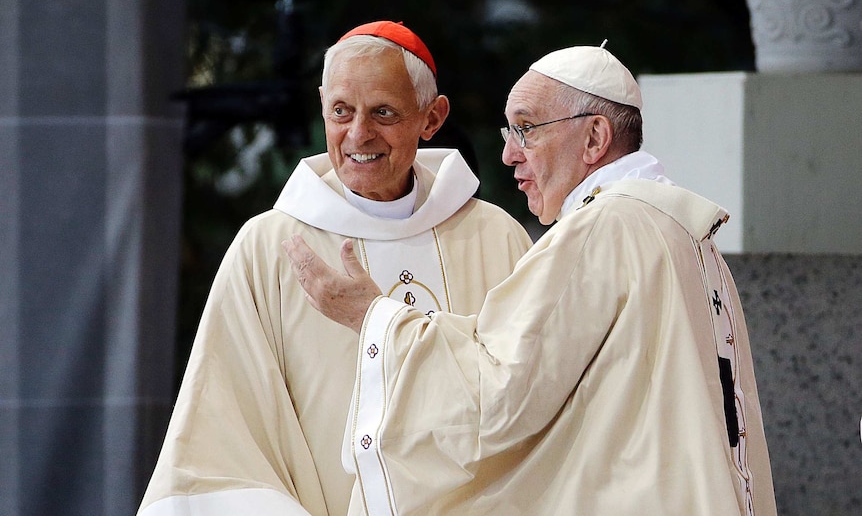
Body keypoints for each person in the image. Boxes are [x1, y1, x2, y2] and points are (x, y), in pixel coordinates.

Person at [285, 42, 778, 515]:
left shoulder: (602, 228)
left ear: (595, 138)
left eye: (526, 129)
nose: (509, 155)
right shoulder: (684, 233)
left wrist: (375, 319)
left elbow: (499, 394)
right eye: (508, 134)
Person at [136, 21, 533, 516]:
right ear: (322, 106)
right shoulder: (269, 248)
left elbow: (531, 405)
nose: (358, 134)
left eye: (383, 112)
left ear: (431, 119)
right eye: (341, 111)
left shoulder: (495, 240)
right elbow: (223, 429)